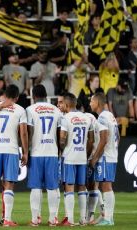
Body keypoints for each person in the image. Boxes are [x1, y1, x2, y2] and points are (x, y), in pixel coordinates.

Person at [0, 85, 28, 227]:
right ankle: (7, 219)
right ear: (16, 97)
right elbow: (23, 133)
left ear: (5, 94)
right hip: (11, 149)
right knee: (8, 184)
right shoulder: (20, 110)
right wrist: (25, 152)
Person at [26, 85, 62, 226]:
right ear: (46, 95)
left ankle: (35, 219)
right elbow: (61, 134)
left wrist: (26, 150)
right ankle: (53, 219)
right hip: (52, 152)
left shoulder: (30, 110)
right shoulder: (56, 110)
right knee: (52, 187)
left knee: (36, 187)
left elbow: (28, 132)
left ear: (34, 96)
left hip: (36, 152)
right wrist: (59, 150)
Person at [59, 93, 94, 226]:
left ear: (67, 105)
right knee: (82, 187)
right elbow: (91, 140)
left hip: (69, 157)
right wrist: (86, 153)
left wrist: (62, 150)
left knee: (69, 187)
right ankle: (83, 219)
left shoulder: (65, 118)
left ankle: (71, 220)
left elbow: (62, 139)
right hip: (82, 157)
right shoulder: (86, 118)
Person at [89, 92, 119, 226]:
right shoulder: (110, 115)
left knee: (106, 186)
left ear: (97, 103)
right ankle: (106, 216)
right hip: (111, 154)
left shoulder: (101, 117)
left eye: (91, 101)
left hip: (106, 156)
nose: (90, 103)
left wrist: (95, 158)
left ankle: (108, 218)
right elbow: (118, 138)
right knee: (104, 185)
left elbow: (104, 139)